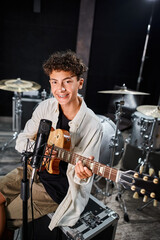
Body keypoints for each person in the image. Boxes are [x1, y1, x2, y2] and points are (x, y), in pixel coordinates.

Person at [0, 50, 103, 239]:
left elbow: (84, 178)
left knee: (4, 215)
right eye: (55, 82)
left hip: (56, 188)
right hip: (32, 169)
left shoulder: (93, 125)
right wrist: (40, 149)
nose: (60, 88)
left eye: (67, 81)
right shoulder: (45, 107)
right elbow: (22, 141)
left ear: (80, 83)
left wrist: (83, 175)